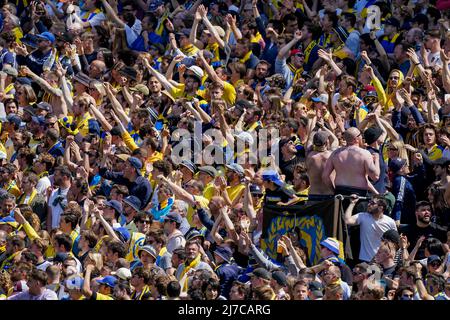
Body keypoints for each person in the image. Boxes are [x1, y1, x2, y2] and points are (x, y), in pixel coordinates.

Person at [344, 194, 397, 262]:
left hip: (382, 261)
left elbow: (395, 243)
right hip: (365, 260)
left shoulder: (390, 222)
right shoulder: (363, 216)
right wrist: (352, 203)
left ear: (381, 208)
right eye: (369, 202)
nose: (369, 204)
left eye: (372, 203)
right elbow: (347, 220)